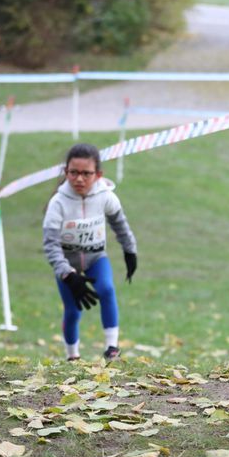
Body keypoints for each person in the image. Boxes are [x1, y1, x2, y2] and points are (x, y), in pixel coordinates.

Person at [43, 143, 138, 361]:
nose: (79, 179)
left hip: (96, 258)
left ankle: (112, 347)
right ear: (66, 172)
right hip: (67, 263)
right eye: (73, 173)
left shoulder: (106, 196)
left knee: (106, 288)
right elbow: (50, 245)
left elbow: (120, 226)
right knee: (73, 310)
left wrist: (130, 251)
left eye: (86, 174)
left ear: (98, 175)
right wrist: (67, 274)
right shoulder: (58, 203)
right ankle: (72, 355)